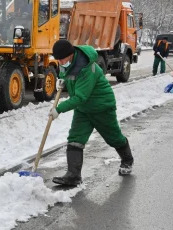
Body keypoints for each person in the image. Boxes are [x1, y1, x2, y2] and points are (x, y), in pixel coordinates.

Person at [49, 39, 134, 186]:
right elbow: (68, 74)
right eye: (58, 60)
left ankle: (127, 160)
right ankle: (73, 175)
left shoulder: (87, 68)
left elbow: (80, 97)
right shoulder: (67, 62)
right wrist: (62, 80)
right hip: (83, 110)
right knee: (75, 138)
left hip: (101, 107)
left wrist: (59, 109)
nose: (61, 63)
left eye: (62, 59)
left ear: (71, 55)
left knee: (113, 138)